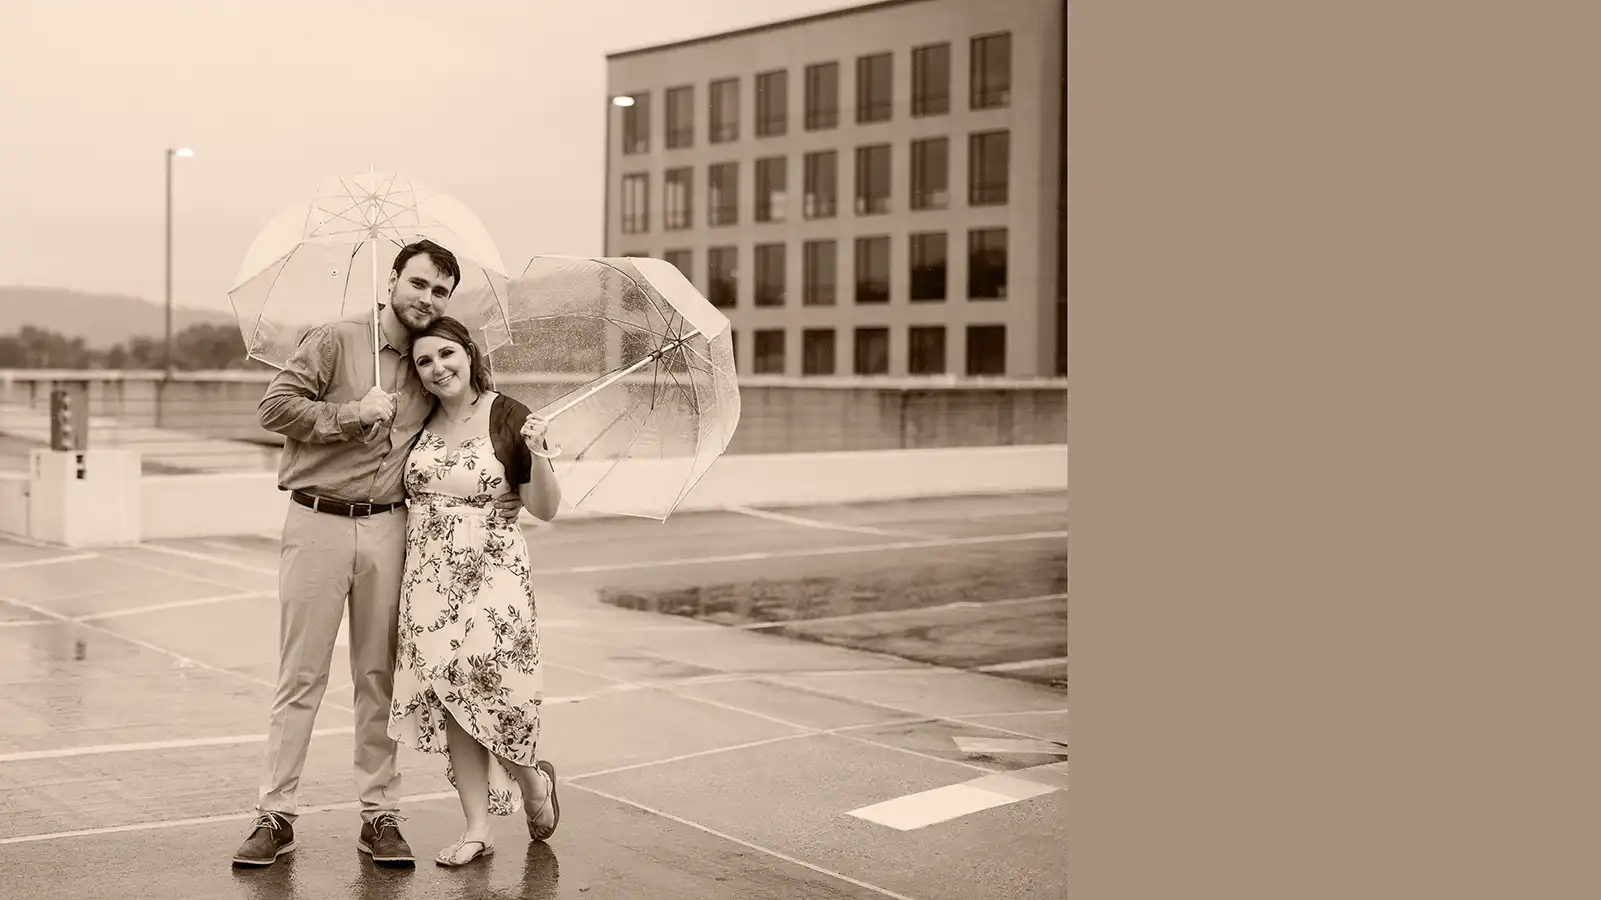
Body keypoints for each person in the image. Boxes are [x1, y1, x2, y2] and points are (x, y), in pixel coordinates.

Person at [232, 240, 519, 869]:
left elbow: (469, 426)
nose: (427, 299)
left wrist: (509, 488)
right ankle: (275, 814)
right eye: (418, 284)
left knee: (377, 678)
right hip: (317, 521)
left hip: (391, 528)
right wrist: (350, 414)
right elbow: (273, 407)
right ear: (392, 279)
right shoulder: (335, 339)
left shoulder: (428, 362)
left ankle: (380, 815)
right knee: (301, 676)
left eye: (440, 292)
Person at [387, 315, 563, 867]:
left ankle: (533, 781)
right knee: (453, 698)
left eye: (446, 355)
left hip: (494, 579)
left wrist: (539, 454)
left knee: (499, 693)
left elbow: (546, 509)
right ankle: (477, 827)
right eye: (424, 362)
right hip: (428, 582)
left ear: (468, 353)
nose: (438, 369)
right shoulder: (417, 420)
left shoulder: (511, 416)